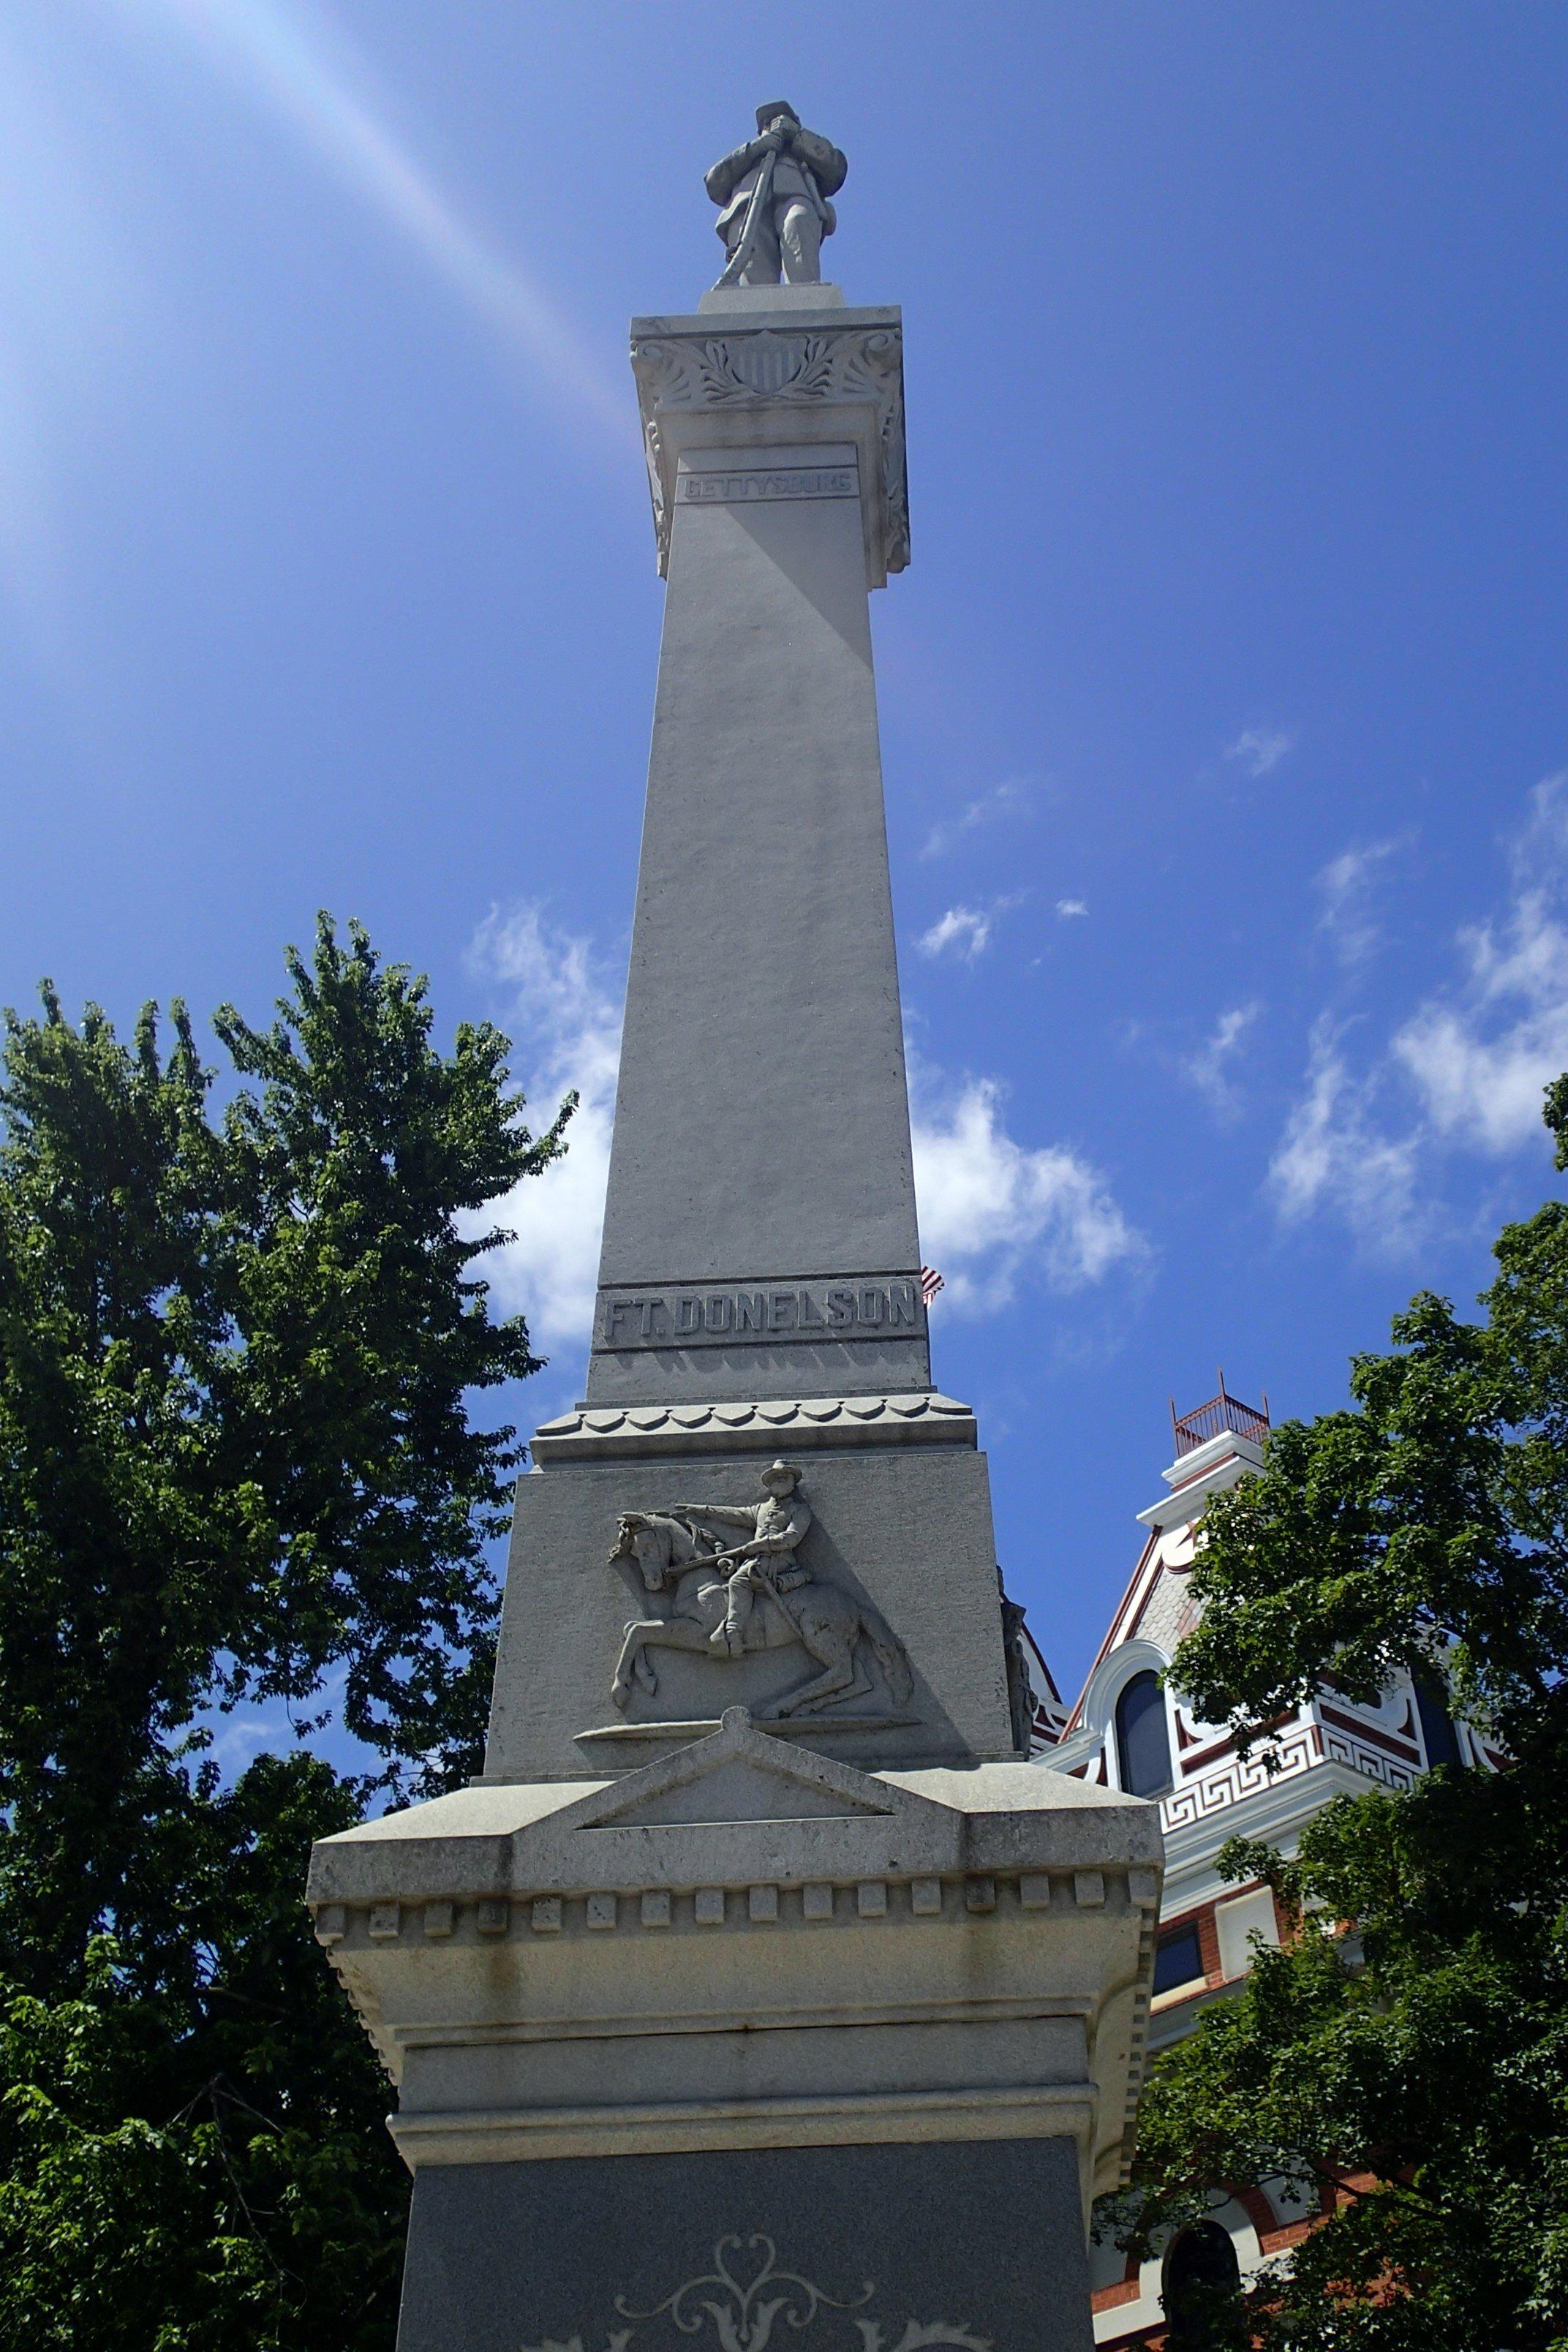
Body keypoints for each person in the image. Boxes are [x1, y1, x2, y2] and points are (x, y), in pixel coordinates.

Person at [670, 1461, 813, 1656]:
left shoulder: (799, 1510)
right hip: (756, 1560)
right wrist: (701, 1510)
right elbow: (734, 1515)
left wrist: (760, 1545)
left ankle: (734, 1635)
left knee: (739, 1581)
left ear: (793, 1482)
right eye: (775, 1478)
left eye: (784, 1477)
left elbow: (792, 1537)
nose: (780, 1481)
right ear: (769, 1485)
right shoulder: (761, 1510)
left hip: (779, 1562)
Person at [704, 102, 847, 289]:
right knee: (754, 255)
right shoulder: (749, 154)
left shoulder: (805, 151)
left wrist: (798, 137)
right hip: (747, 207)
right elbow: (714, 183)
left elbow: (835, 170)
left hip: (797, 195)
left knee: (799, 221)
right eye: (766, 122)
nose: (774, 123)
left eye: (782, 117)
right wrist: (756, 148)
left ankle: (806, 294)